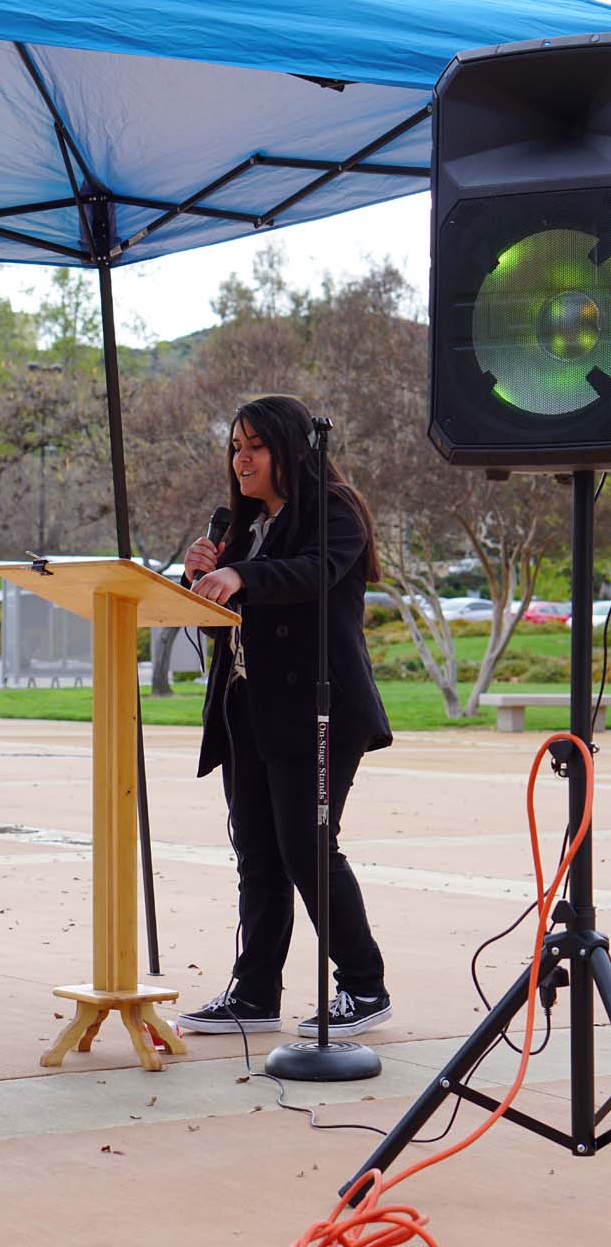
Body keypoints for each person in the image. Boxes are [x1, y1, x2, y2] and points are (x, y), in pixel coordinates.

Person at [176, 394, 392, 1040]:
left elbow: (312, 573)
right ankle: (254, 994)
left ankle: (363, 987)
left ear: (291, 449)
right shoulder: (239, 529)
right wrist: (200, 585)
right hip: (248, 712)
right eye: (235, 448)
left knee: (309, 851)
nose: (241, 460)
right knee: (258, 856)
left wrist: (241, 575)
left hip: (319, 711)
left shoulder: (333, 510)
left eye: (255, 446)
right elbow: (231, 629)